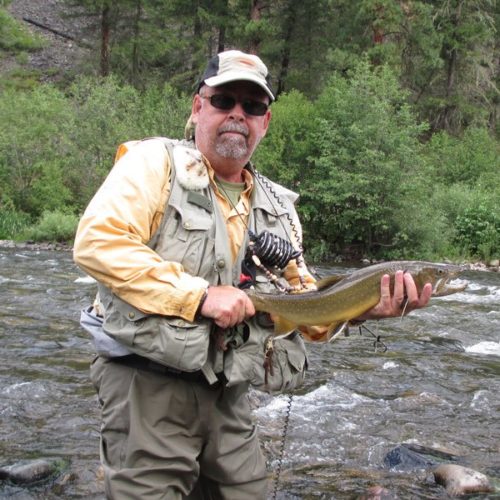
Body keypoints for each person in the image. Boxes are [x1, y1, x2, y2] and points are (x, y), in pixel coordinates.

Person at [74, 49, 432, 499]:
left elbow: (309, 310)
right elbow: (97, 244)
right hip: (146, 384)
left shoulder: (280, 209)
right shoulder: (152, 166)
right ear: (198, 107)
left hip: (231, 395)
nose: (238, 115)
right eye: (224, 101)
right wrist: (201, 296)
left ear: (265, 122)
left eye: (254, 106)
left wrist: (364, 309)